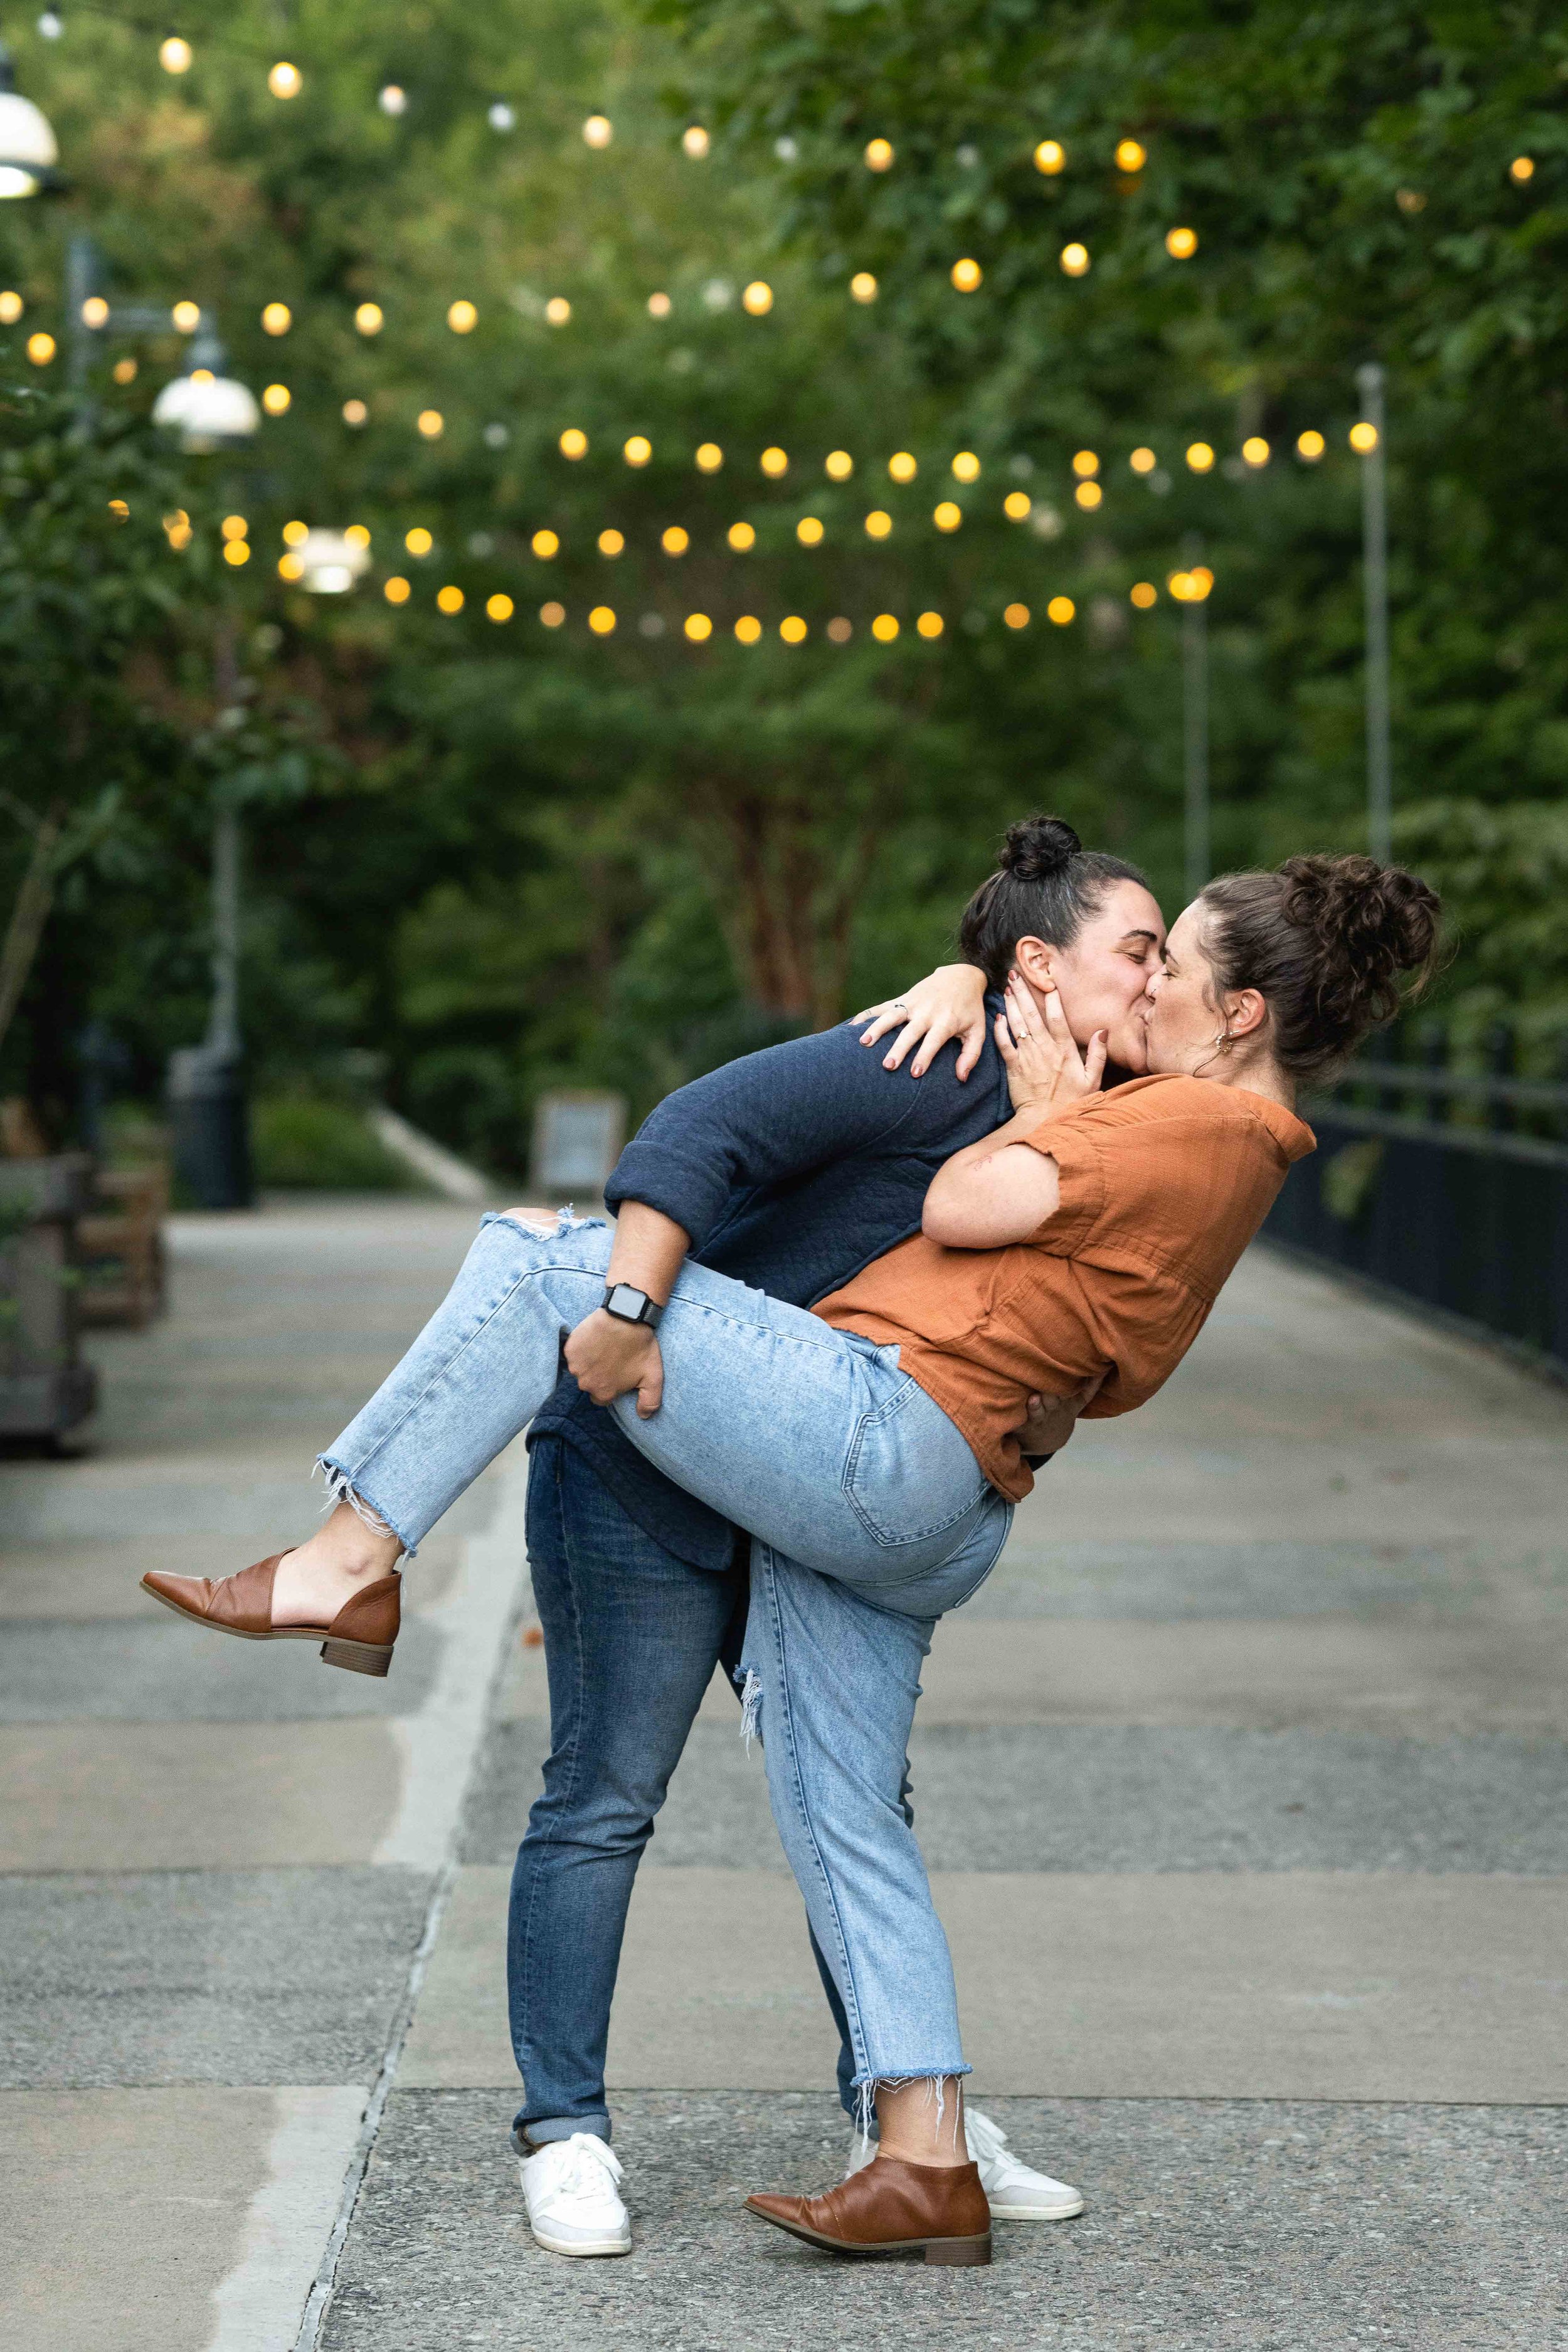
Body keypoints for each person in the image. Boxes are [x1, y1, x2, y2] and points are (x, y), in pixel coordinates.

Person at [143, 847, 1439, 2266]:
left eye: (1167, 962)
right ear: (1031, 967)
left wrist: (1044, 1119)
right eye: (1132, 951)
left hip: (870, 1444)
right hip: (831, 1481)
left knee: (535, 1253)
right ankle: (908, 2146)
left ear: (1237, 1012)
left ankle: (349, 1549)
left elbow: (969, 1212)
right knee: (822, 1812)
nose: (1144, 980)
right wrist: (963, 978)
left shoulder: (1151, 1115)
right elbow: (717, 1130)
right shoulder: (979, 1053)